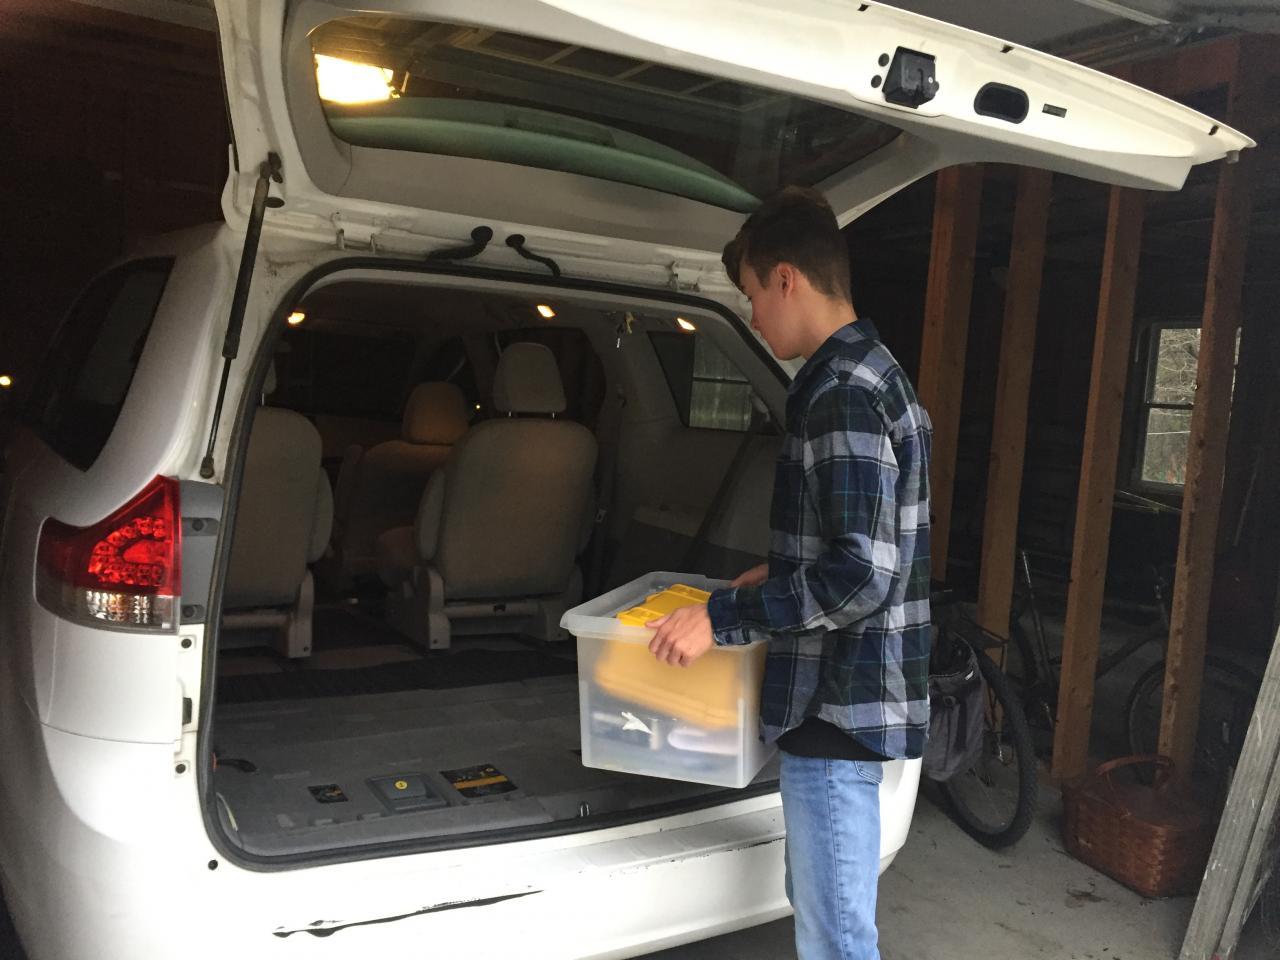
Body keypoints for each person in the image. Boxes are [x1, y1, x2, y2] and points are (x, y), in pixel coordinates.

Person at [646, 186, 932, 960]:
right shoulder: (873, 373)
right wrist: (780, 569)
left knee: (836, 940)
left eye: (751, 296)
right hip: (852, 696)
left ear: (785, 279)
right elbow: (871, 542)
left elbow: (860, 576)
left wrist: (721, 619)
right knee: (828, 916)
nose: (753, 317)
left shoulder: (840, 393)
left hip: (836, 706)